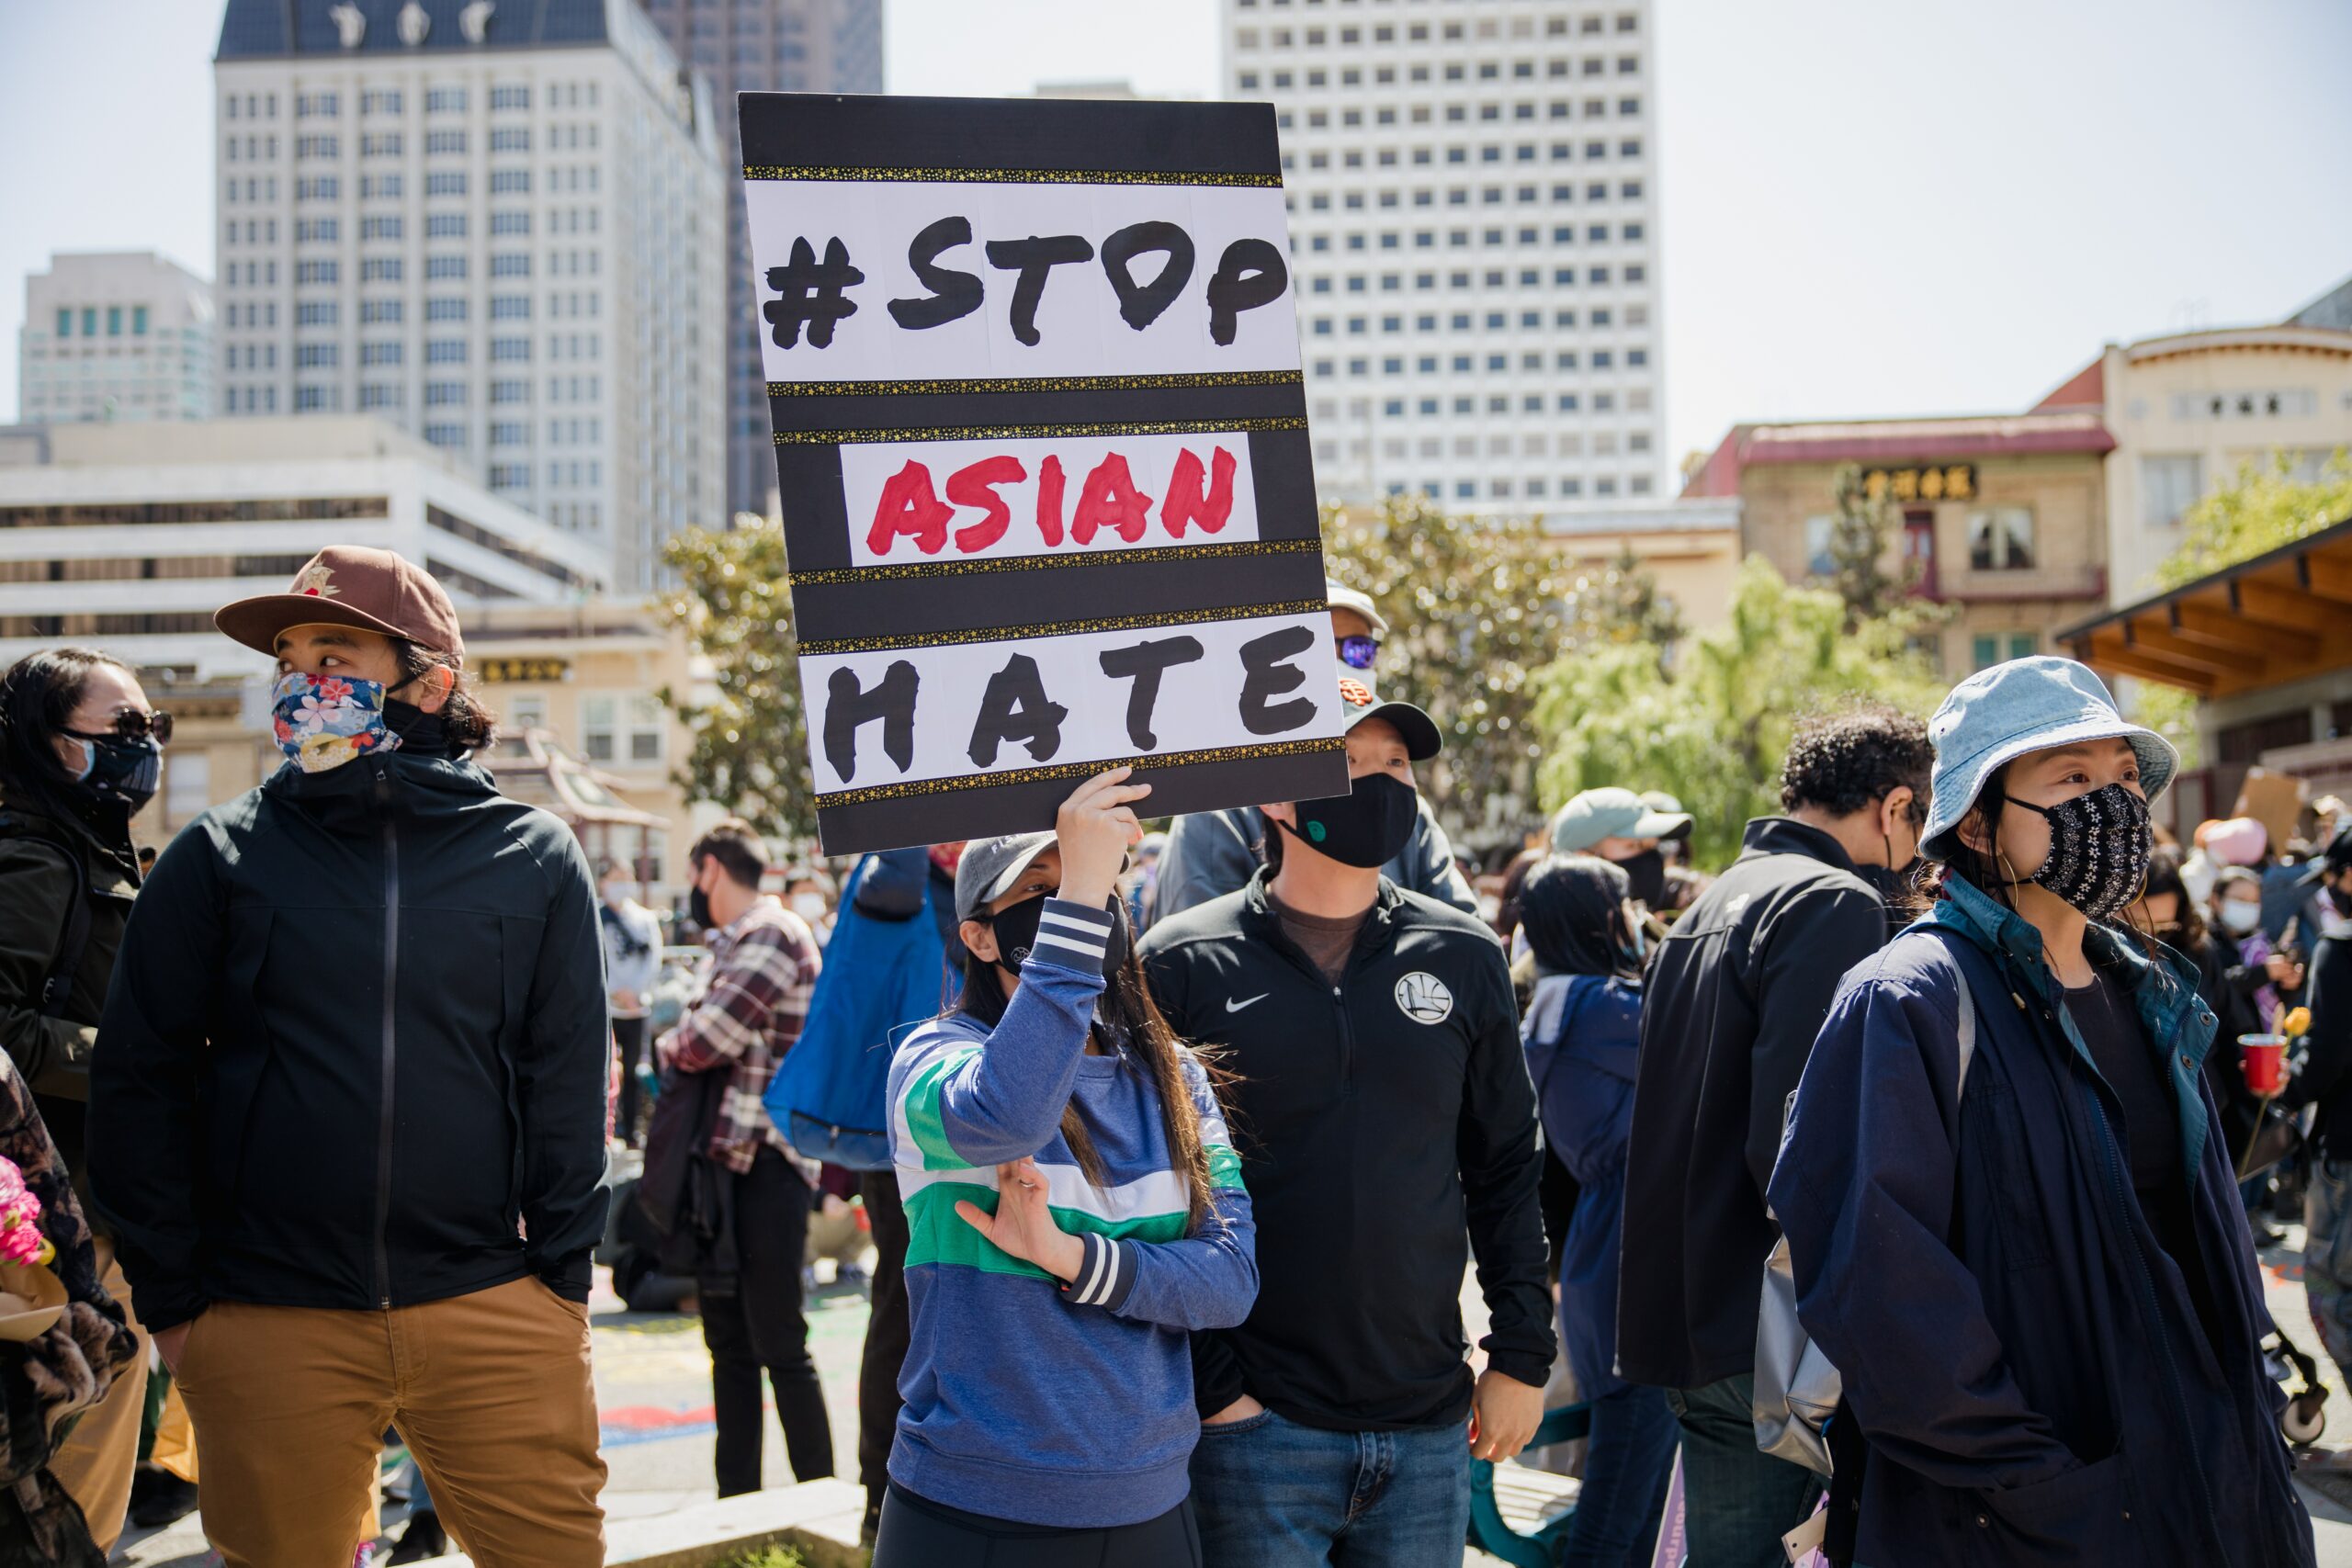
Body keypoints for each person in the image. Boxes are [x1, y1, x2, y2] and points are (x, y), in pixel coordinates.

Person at [89, 547, 610, 1568]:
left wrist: (559, 1281)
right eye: (289, 655)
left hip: (494, 1308)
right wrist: (180, 1305)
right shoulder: (216, 853)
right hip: (267, 1319)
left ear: (429, 679)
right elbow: (138, 1078)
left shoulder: (536, 854)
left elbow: (565, 1078)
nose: (302, 676)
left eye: (335, 648)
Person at [1768, 656, 2315, 1566]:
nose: (2113, 805)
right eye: (2070, 778)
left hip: (2206, 1497)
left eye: (2125, 779)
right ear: (1976, 822)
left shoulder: (2151, 995)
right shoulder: (1906, 1003)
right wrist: (2041, 1490)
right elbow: (1877, 1292)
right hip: (2025, 1529)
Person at [1140, 676, 1555, 1566]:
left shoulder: (1464, 953)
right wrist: (1219, 1394)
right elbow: (1155, 1190)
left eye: (1394, 763)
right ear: (1272, 791)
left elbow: (1505, 1166)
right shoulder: (1180, 962)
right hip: (1254, 1431)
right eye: (1345, 761)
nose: (1378, 782)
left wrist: (1520, 1354)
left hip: (1429, 1425)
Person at [875, 773, 1255, 1567]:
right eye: (1040, 886)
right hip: (969, 1507)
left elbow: (1228, 1280)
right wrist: (1080, 895)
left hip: (1149, 1503)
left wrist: (1070, 1257)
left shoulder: (1173, 1077)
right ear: (980, 935)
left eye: (1090, 882)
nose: (1078, 900)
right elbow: (1008, 1112)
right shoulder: (932, 1061)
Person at [1615, 703, 1930, 1565]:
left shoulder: (1714, 896)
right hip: (1772, 1333)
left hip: (1691, 1311)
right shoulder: (1832, 900)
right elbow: (1801, 1140)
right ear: (1896, 806)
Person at [0, 648, 159, 1556]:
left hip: (89, 1220)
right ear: (40, 739)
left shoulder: (83, 851)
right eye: (120, 730)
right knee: (63, 1484)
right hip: (56, 1242)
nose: (143, 750)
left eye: (152, 729)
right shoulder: (34, 860)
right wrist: (136, 1058)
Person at [766, 841, 963, 1541]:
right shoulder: (899, 877)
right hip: (915, 1129)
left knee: (906, 1296)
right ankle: (885, 1488)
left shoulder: (953, 879)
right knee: (908, 1296)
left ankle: (886, 1487)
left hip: (943, 1123)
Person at [656, 819, 835, 1497]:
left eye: (692, 872)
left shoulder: (772, 932)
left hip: (766, 1163)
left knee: (779, 1341)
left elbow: (705, 1038)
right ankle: (738, 1506)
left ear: (710, 869)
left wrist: (668, 1043)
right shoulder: (732, 940)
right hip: (725, 1167)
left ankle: (819, 1498)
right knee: (728, 1346)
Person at [1149, 582, 1478, 924]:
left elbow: (1461, 938)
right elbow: (1199, 954)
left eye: (1359, 649)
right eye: (1314, 644)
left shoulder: (1404, 810)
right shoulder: (1219, 813)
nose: (1340, 662)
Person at [1519, 855, 1675, 1567]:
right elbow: (1702, 1030)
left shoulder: (1551, 1001)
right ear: (1600, 919)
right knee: (1618, 1509)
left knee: (1631, 1488)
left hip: (1597, 1247)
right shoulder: (1608, 1007)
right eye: (1624, 906)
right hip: (1633, 1254)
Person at [2291, 826, 2352, 1385]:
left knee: (2333, 1290)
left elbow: (2325, 1057)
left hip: (2347, 1149)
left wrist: (2286, 1086)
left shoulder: (2339, 948)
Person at [598, 859, 662, 1148]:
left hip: (637, 1007)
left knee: (636, 1069)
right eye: (616, 877)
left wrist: (635, 992)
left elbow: (653, 959)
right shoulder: (595, 916)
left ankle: (632, 1129)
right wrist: (613, 991)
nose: (622, 883)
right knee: (606, 1069)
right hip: (608, 1008)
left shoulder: (644, 919)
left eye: (627, 877)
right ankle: (607, 1126)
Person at [1551, 786, 1694, 913]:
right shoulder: (1554, 940)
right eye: (1636, 845)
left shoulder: (1636, 936)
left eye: (1653, 847)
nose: (1652, 858)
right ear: (1582, 859)